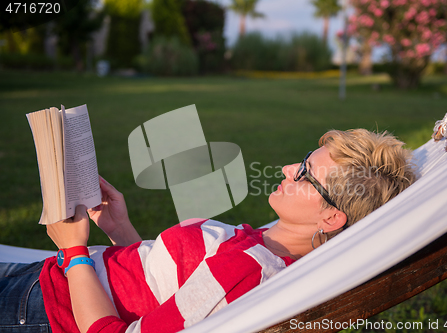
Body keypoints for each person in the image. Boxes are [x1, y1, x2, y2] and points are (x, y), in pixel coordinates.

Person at [0, 129, 415, 333]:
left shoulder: (248, 270)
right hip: (52, 281)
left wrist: (74, 251)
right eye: (303, 159)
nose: (290, 169)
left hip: (46, 307)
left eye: (306, 174)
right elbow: (166, 297)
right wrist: (122, 231)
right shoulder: (266, 245)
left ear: (330, 218)